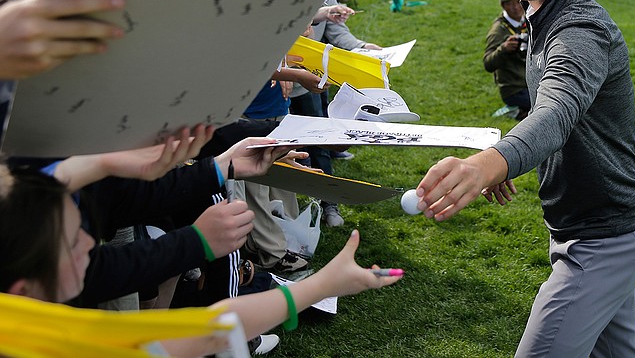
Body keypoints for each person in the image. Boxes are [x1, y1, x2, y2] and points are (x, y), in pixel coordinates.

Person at [416, 0, 635, 357]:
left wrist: (491, 162)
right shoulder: (542, 16)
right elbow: (549, 114)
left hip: (603, 238)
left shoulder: (579, 29)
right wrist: (510, 162)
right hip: (594, 229)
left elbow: (557, 111)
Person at [0, 163, 402, 358]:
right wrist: (322, 285)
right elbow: (208, 332)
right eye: (75, 241)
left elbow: (212, 329)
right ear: (23, 288)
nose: (92, 241)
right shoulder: (46, 339)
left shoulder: (20, 316)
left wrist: (322, 285)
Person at [483, 0, 530, 120]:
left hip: (532, 82)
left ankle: (522, 112)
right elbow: (488, 64)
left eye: (518, 2)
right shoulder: (498, 31)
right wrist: (503, 49)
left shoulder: (528, 20)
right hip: (514, 89)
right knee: (547, 107)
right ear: (503, 6)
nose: (516, 8)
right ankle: (519, 112)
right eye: (510, 4)